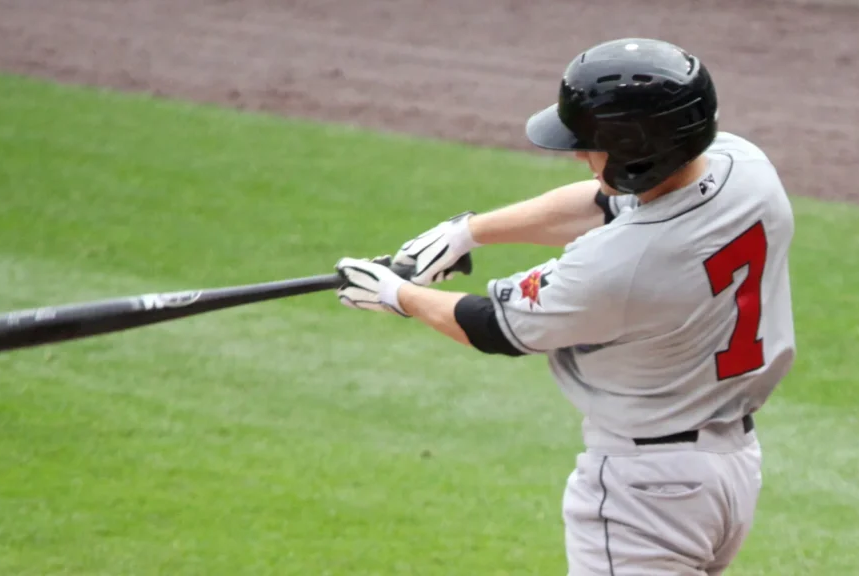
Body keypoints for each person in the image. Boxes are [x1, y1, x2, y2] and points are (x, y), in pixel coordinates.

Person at [333, 37, 796, 576]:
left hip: (647, 494)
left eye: (592, 143)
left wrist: (395, 295)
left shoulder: (622, 265)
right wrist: (467, 232)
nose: (579, 155)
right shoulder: (746, 170)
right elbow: (605, 201)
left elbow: (493, 327)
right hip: (729, 470)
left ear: (639, 152)